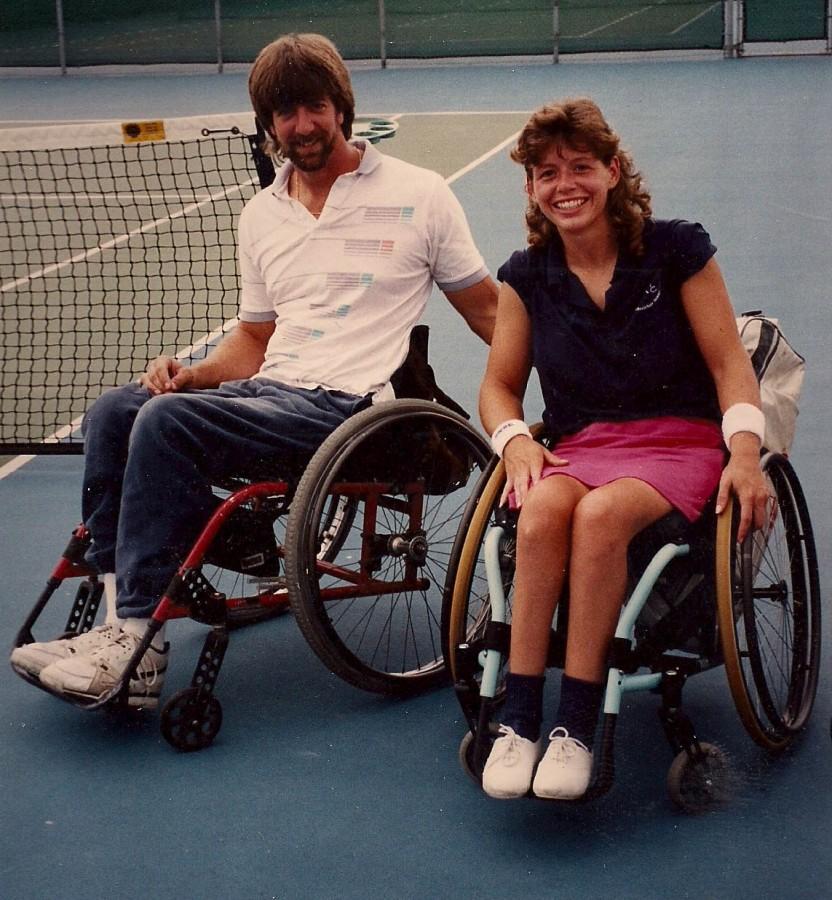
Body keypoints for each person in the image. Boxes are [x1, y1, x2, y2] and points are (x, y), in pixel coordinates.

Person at [10, 33, 497, 708]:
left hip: (352, 407)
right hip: (274, 391)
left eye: (314, 107)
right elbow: (253, 340)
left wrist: (535, 405)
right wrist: (191, 373)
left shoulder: (421, 193)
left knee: (165, 423)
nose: (302, 126)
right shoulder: (262, 214)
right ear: (267, 123)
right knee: (117, 410)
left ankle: (139, 642)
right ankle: (125, 618)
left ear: (341, 107)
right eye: (285, 113)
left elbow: (490, 313)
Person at [478, 98, 769, 801]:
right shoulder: (526, 276)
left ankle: (575, 725)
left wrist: (747, 453)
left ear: (613, 171)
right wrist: (515, 441)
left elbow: (732, 365)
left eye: (581, 167)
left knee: (603, 516)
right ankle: (517, 721)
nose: (564, 185)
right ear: (530, 189)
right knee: (543, 508)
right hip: (584, 443)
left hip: (681, 441)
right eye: (547, 173)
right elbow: (498, 386)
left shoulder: (676, 250)